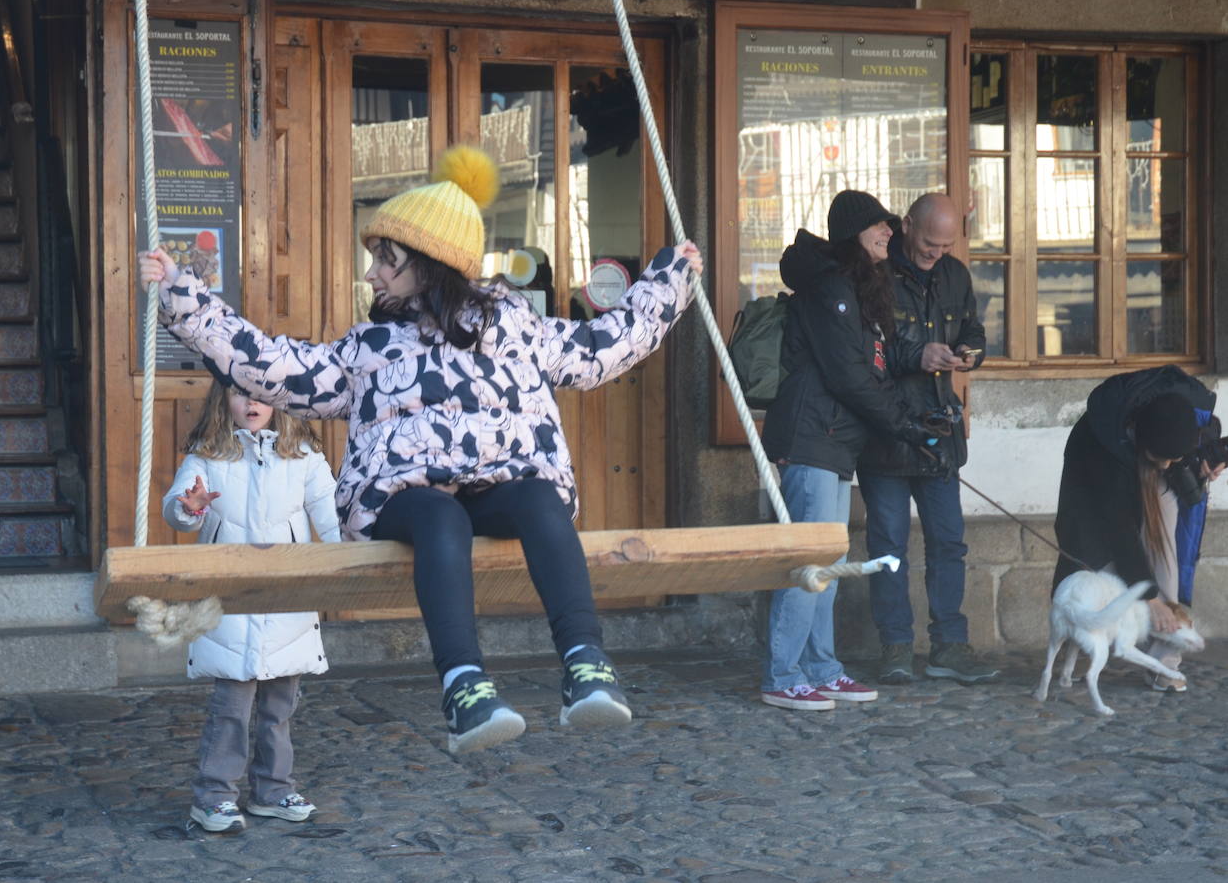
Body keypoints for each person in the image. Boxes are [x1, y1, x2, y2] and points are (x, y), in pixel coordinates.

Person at [140, 146, 702, 755]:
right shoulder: (371, 347)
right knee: (440, 516)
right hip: (402, 499)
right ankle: (465, 686)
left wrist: (669, 281)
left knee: (541, 500)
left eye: (387, 259)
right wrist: (183, 296)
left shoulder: (513, 324)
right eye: (375, 260)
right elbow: (275, 366)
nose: (373, 273)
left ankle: (586, 663)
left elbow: (603, 346)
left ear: (429, 262)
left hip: (497, 487)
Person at [759, 189, 942, 711]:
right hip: (812, 439)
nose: (890, 232)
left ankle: (821, 668)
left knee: (831, 564)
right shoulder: (831, 287)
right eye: (878, 226)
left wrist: (911, 420)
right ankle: (782, 674)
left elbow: (875, 367)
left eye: (890, 224)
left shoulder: (858, 288)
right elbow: (848, 376)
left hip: (837, 442)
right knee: (809, 565)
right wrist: (904, 426)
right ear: (852, 235)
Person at [163, 380, 341, 833]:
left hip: (288, 598)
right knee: (231, 706)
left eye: (263, 394)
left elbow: (331, 512)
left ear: (282, 402)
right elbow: (179, 505)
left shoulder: (304, 457)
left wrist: (353, 557)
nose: (252, 403)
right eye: (241, 394)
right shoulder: (207, 455)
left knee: (280, 705)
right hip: (230, 600)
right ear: (223, 401)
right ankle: (215, 795)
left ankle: (273, 789)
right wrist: (190, 507)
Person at [855, 193, 996, 686]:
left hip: (940, 433)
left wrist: (969, 351)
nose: (936, 253)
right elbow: (862, 354)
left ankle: (949, 648)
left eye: (945, 245)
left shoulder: (955, 273)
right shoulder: (874, 270)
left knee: (948, 545)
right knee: (888, 545)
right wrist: (915, 356)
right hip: (887, 435)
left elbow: (974, 327)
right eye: (929, 243)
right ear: (907, 225)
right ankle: (895, 647)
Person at [1052, 365, 1223, 692]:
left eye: (1175, 458)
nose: (1168, 466)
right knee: (1107, 571)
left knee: (1166, 557)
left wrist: (1207, 459)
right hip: (1103, 489)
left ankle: (1165, 662)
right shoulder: (1097, 442)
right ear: (1143, 444)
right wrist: (1148, 597)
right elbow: (1119, 529)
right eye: (1163, 459)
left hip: (1151, 456)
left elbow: (1206, 433)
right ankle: (1097, 640)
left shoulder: (1185, 413)